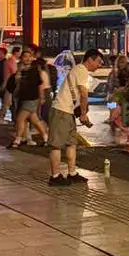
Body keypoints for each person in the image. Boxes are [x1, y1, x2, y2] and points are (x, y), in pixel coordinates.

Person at [46, 51, 93, 185]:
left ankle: (72, 173)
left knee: (71, 142)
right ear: (90, 60)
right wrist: (83, 113)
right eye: (99, 62)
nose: (100, 64)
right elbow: (83, 93)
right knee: (56, 144)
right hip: (61, 110)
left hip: (68, 111)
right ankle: (55, 176)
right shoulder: (81, 70)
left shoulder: (79, 70)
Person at [12, 51, 50, 147]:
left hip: (32, 98)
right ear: (21, 58)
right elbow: (17, 84)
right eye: (25, 56)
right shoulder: (21, 70)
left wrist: (41, 97)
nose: (27, 58)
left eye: (29, 56)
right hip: (23, 98)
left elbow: (40, 84)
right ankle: (45, 137)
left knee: (20, 118)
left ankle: (17, 140)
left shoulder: (35, 70)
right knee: (35, 120)